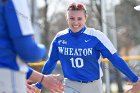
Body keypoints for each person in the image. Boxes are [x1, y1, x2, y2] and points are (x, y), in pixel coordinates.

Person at [35, 2, 140, 93]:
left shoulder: (96, 36)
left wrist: (135, 79)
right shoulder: (59, 38)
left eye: (79, 18)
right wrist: (39, 84)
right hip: (70, 84)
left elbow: (115, 59)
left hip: (93, 85)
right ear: (67, 18)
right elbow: (51, 62)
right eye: (72, 18)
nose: (75, 22)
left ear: (85, 18)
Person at [0, 0, 63, 93]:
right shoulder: (15, 2)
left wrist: (43, 79)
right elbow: (29, 52)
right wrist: (43, 50)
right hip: (8, 78)